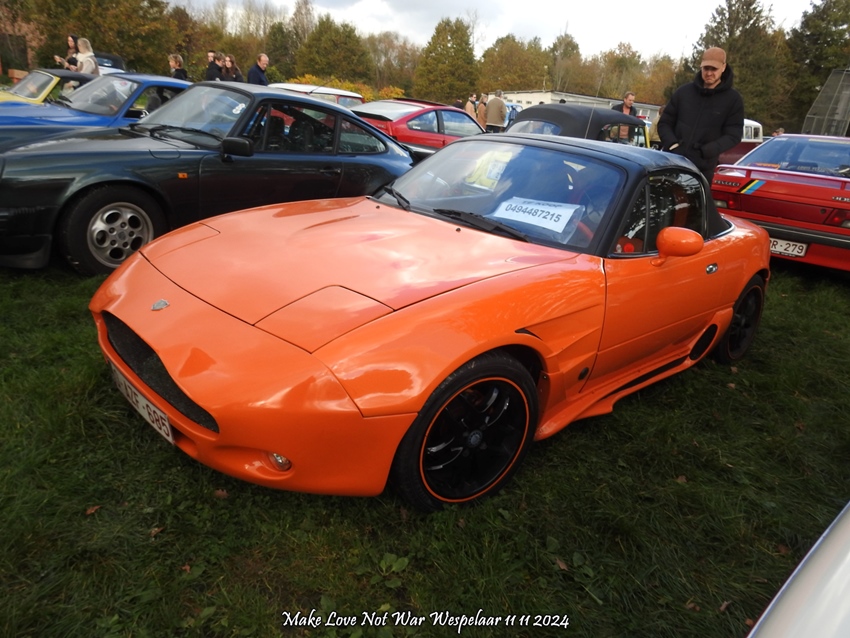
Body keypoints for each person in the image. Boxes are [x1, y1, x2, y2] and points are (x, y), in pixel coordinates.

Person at [657, 47, 744, 181]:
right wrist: (672, 145)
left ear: (723, 67)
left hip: (702, 170)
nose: (709, 73)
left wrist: (707, 151)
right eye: (706, 68)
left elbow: (734, 135)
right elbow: (665, 122)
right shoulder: (683, 92)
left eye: (713, 69)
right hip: (671, 163)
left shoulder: (733, 100)